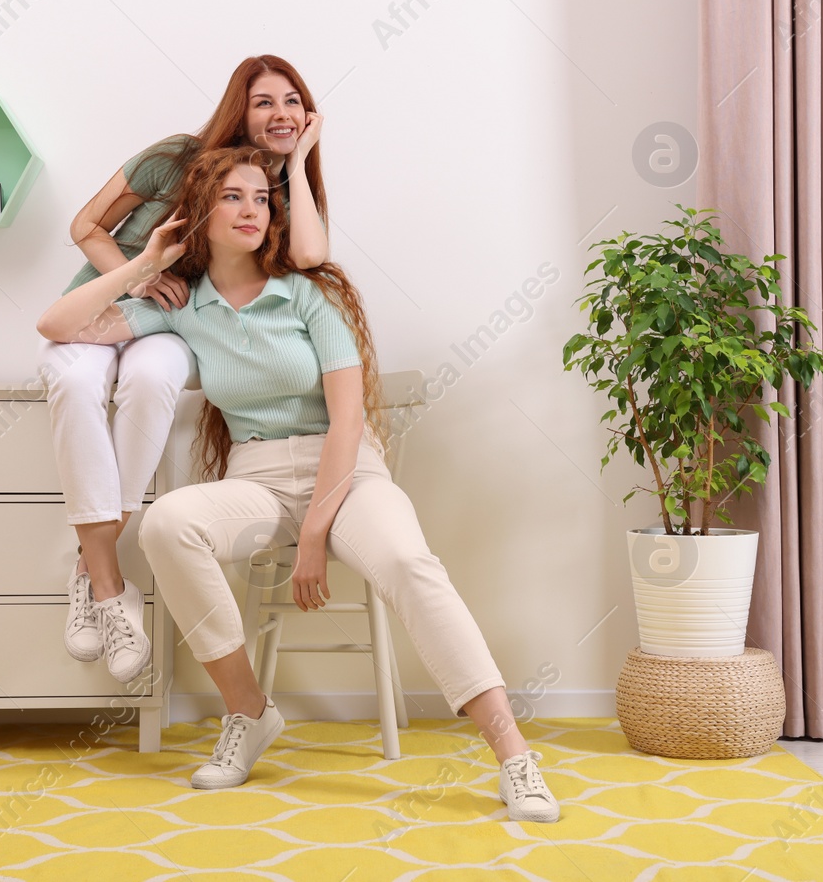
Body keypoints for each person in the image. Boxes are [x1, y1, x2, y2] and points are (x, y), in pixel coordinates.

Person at [35, 146, 560, 822]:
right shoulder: (183, 305)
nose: (251, 209)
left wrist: (315, 532)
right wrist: (143, 266)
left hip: (346, 474)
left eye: (261, 198)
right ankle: (248, 713)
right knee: (168, 524)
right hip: (256, 477)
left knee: (406, 560)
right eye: (232, 197)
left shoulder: (309, 294)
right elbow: (56, 325)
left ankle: (514, 756)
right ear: (198, 212)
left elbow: (348, 420)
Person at [41, 56, 329, 685]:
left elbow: (310, 256)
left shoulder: (272, 195)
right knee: (73, 380)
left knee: (151, 382)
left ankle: (90, 559)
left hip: (172, 320)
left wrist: (304, 158)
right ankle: (106, 578)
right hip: (112, 295)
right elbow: (84, 225)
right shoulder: (173, 158)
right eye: (264, 103)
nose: (280, 115)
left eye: (292, 102)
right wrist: (147, 271)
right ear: (239, 109)